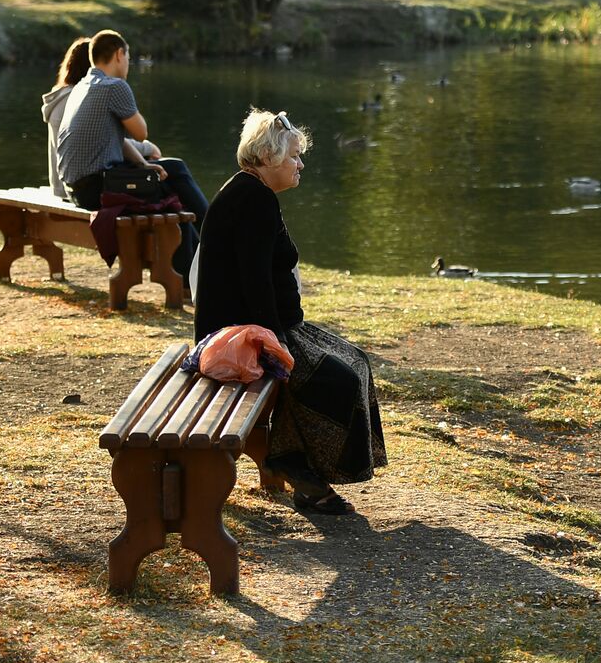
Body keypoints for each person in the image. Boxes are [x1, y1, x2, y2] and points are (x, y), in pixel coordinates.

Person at [195, 108, 386, 514]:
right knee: (336, 379)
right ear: (267, 158)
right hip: (247, 333)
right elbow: (254, 282)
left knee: (355, 361)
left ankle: (302, 468)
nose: (300, 164)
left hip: (267, 324)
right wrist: (278, 344)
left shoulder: (254, 193)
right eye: (294, 157)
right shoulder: (253, 200)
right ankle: (302, 472)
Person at [56, 30, 208, 275]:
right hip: (100, 187)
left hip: (78, 188)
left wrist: (143, 164)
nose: (129, 63)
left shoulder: (83, 86)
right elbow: (140, 133)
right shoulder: (115, 87)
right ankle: (217, 232)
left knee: (170, 193)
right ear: (119, 54)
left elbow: (120, 142)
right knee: (176, 170)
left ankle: (192, 274)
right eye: (128, 57)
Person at [42, 37, 160, 199]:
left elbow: (106, 140)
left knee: (153, 168)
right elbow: (128, 138)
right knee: (170, 170)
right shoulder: (82, 96)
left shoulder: (73, 94)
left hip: (71, 184)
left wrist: (143, 162)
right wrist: (147, 148)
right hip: (76, 188)